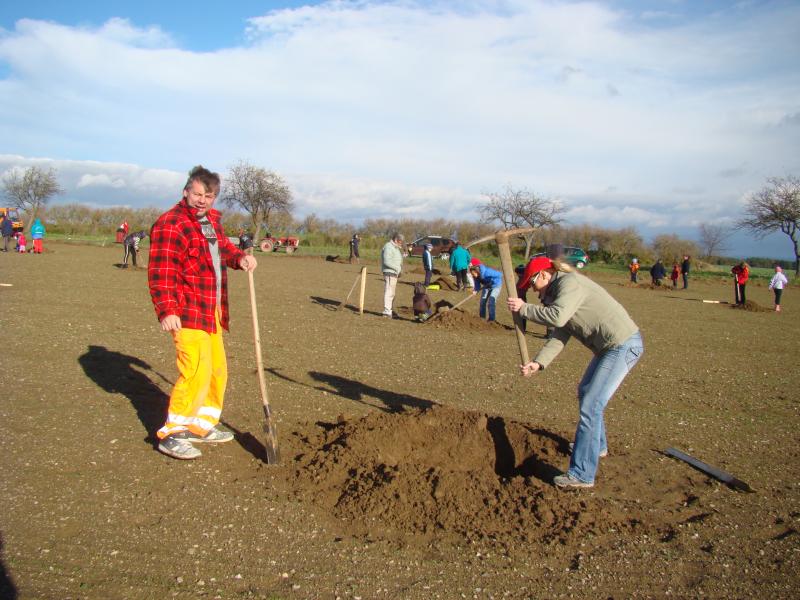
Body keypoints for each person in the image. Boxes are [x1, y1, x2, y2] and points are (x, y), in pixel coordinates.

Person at [148, 165, 257, 460]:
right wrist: (167, 310)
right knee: (195, 371)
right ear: (186, 191)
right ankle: (173, 433)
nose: (202, 201)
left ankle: (201, 424)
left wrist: (240, 258)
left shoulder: (210, 222)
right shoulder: (171, 224)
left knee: (216, 371)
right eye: (197, 194)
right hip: (187, 312)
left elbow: (222, 249)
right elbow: (162, 270)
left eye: (208, 196)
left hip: (212, 311)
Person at [507, 256, 643, 490]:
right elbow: (561, 332)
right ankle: (597, 447)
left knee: (591, 404)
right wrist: (538, 363)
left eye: (532, 283)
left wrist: (524, 308)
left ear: (544, 274)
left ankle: (582, 474)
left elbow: (557, 317)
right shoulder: (560, 292)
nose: (533, 290)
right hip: (608, 348)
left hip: (622, 345)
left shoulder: (570, 284)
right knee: (586, 392)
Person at [380, 232, 404, 318]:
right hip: (390, 272)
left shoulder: (395, 247)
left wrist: (399, 270)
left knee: (392, 293)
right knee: (389, 292)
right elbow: (387, 261)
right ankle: (387, 312)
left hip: (394, 272)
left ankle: (390, 310)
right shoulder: (388, 246)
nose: (401, 243)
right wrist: (397, 269)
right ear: (396, 240)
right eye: (400, 241)